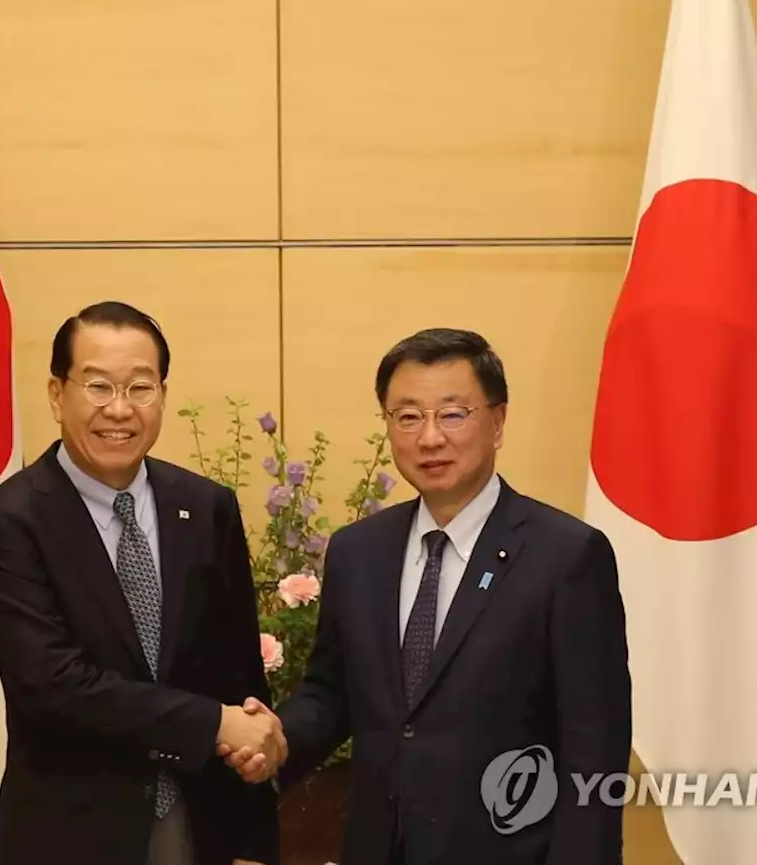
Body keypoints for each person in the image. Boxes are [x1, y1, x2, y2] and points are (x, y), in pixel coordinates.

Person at [223, 327, 632, 864]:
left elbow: (594, 745)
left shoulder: (566, 556)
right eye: (408, 416)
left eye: (453, 414)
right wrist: (275, 741)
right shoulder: (358, 552)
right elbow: (331, 694)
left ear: (498, 421)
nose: (430, 438)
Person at [0, 301, 282, 865]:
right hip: (69, 835)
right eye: (98, 386)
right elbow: (57, 687)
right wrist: (214, 724)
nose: (120, 409)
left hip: (198, 826)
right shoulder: (7, 525)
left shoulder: (206, 508)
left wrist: (255, 837)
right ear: (58, 395)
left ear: (162, 394)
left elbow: (240, 677)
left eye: (140, 387)